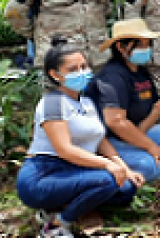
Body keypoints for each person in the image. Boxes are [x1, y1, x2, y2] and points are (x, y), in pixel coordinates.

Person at [16, 37, 143, 238]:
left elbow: (100, 141)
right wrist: (107, 165)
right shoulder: (53, 102)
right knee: (108, 181)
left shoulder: (86, 103)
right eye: (73, 69)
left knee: (126, 189)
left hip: (71, 171)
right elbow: (64, 150)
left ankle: (54, 207)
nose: (82, 72)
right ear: (54, 75)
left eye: (84, 66)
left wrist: (125, 169)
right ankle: (57, 225)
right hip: (43, 175)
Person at [85, 19, 160, 183]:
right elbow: (115, 121)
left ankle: (133, 153)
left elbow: (156, 107)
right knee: (151, 166)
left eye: (147, 44)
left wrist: (138, 138)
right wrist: (150, 146)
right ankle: (108, 166)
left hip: (126, 133)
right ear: (121, 47)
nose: (146, 49)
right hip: (103, 141)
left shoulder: (140, 71)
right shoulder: (112, 76)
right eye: (139, 45)